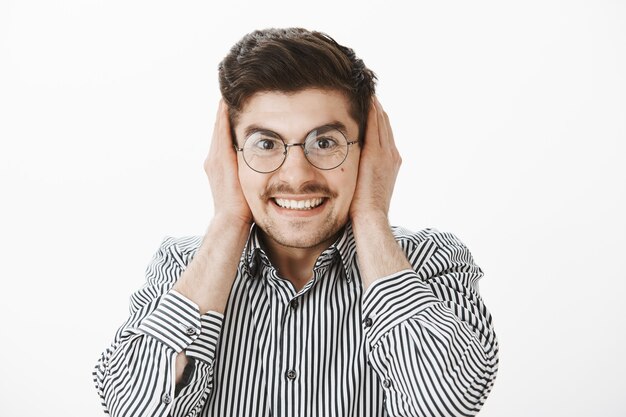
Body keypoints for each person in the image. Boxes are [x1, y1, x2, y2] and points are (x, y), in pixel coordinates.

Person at [93, 27, 499, 417]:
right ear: (230, 156)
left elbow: (445, 402)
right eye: (265, 144)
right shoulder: (182, 266)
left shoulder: (431, 262)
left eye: (325, 143)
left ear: (370, 151)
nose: (296, 175)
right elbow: (133, 407)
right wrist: (229, 220)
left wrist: (372, 214)